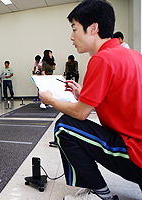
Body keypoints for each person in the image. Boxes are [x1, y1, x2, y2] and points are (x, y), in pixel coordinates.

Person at [39, 0, 142, 199]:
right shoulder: (134, 55)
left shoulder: (101, 59)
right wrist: (83, 95)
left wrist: (49, 100)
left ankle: (99, 193)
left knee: (64, 127)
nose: (71, 37)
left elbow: (80, 113)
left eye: (74, 29)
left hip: (135, 154)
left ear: (93, 28)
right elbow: (124, 99)